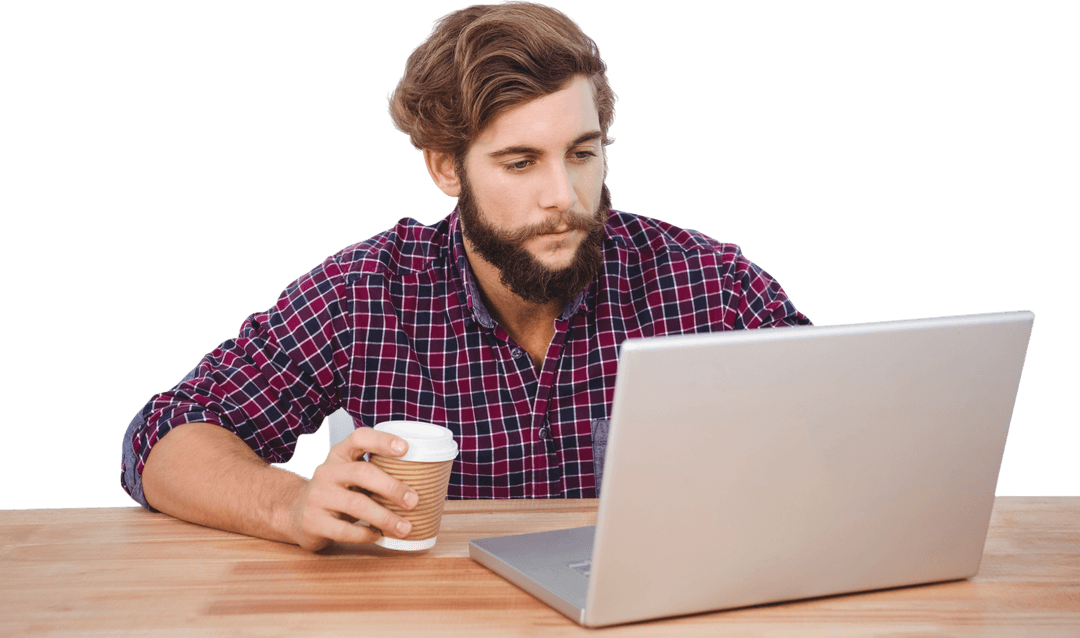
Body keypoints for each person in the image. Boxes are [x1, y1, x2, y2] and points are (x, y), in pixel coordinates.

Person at [121, 1, 810, 552]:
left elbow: (850, 431)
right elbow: (165, 435)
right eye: (520, 162)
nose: (563, 196)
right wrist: (289, 504)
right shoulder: (366, 294)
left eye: (580, 153)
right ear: (445, 168)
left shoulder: (709, 284)